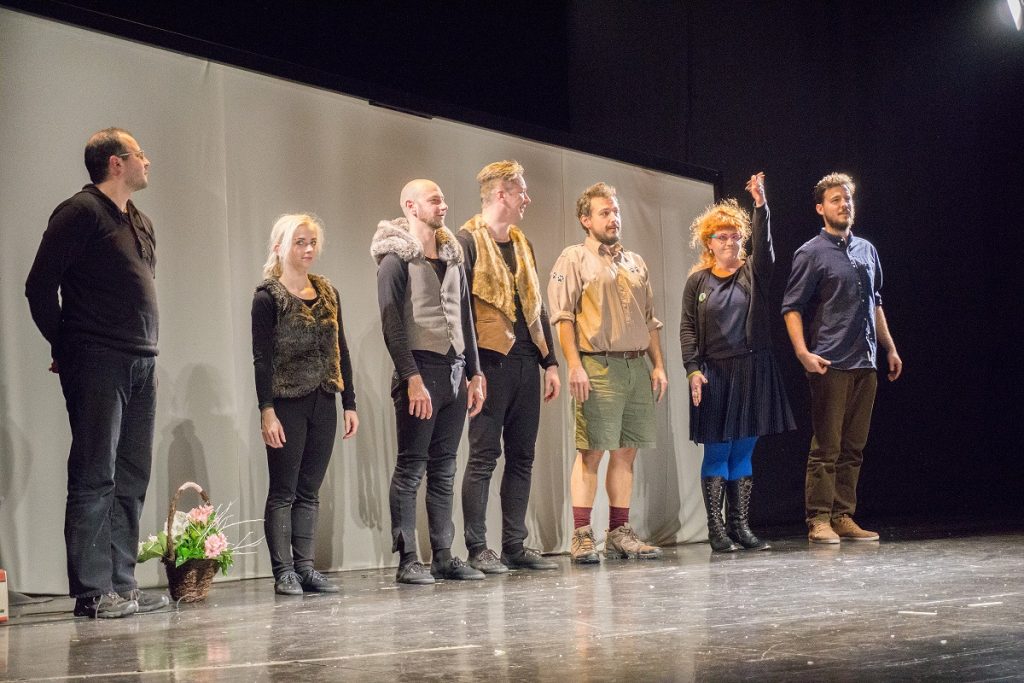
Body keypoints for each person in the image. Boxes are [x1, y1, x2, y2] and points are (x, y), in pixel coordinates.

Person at [25, 127, 168, 618]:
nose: (147, 161)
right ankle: (92, 591)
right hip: (98, 358)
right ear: (115, 163)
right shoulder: (80, 212)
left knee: (131, 474)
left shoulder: (140, 221)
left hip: (142, 359)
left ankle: (121, 584)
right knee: (95, 473)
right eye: (139, 153)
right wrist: (65, 346)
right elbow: (39, 287)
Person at [372, 179, 487, 584]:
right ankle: (408, 559)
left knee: (444, 468)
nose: (443, 205)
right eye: (434, 199)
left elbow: (466, 317)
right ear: (411, 206)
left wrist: (475, 372)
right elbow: (391, 323)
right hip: (419, 370)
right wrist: (411, 378)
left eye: (443, 198)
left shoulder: (453, 257)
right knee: (410, 468)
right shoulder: (394, 259)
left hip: (454, 371)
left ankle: (443, 554)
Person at [548, 182, 669, 563]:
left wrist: (658, 365)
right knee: (592, 451)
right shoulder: (574, 258)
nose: (613, 218)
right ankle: (582, 534)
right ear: (586, 219)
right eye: (604, 212)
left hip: (635, 365)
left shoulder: (634, 262)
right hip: (597, 365)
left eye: (615, 211)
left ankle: (619, 531)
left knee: (626, 451)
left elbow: (649, 320)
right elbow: (563, 318)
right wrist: (574, 366)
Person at [782, 172, 903, 544]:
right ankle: (819, 519)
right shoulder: (810, 252)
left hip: (865, 362)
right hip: (830, 363)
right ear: (821, 208)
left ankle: (842, 514)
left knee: (853, 447)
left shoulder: (867, 249)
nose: (844, 204)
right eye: (835, 199)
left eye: (847, 198)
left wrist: (889, 347)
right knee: (827, 446)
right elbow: (791, 307)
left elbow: (875, 302)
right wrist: (802, 353)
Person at [680, 173, 795, 553]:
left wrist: (761, 205)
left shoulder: (753, 273)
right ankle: (717, 531)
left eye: (735, 236)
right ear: (709, 243)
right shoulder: (697, 282)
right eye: (722, 237)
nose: (730, 242)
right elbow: (687, 329)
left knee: (743, 450)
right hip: (714, 373)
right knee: (718, 450)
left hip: (753, 370)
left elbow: (766, 249)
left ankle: (740, 527)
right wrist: (693, 370)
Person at [457, 161, 560, 574]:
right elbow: (461, 313)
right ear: (501, 194)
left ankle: (514, 544)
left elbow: (536, 307)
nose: (527, 199)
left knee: (522, 456)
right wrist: (472, 371)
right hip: (489, 362)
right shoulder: (466, 241)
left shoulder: (522, 243)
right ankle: (477, 547)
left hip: (524, 361)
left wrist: (550, 361)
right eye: (521, 192)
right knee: (484, 455)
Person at [252, 213, 358, 595]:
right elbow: (261, 359)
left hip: (323, 400)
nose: (308, 249)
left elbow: (340, 349)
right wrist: (267, 410)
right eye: (300, 242)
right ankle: (284, 571)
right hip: (287, 402)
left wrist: (349, 402)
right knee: (284, 489)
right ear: (280, 247)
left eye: (312, 242)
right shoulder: (268, 297)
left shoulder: (328, 292)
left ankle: (306, 567)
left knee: (310, 490)